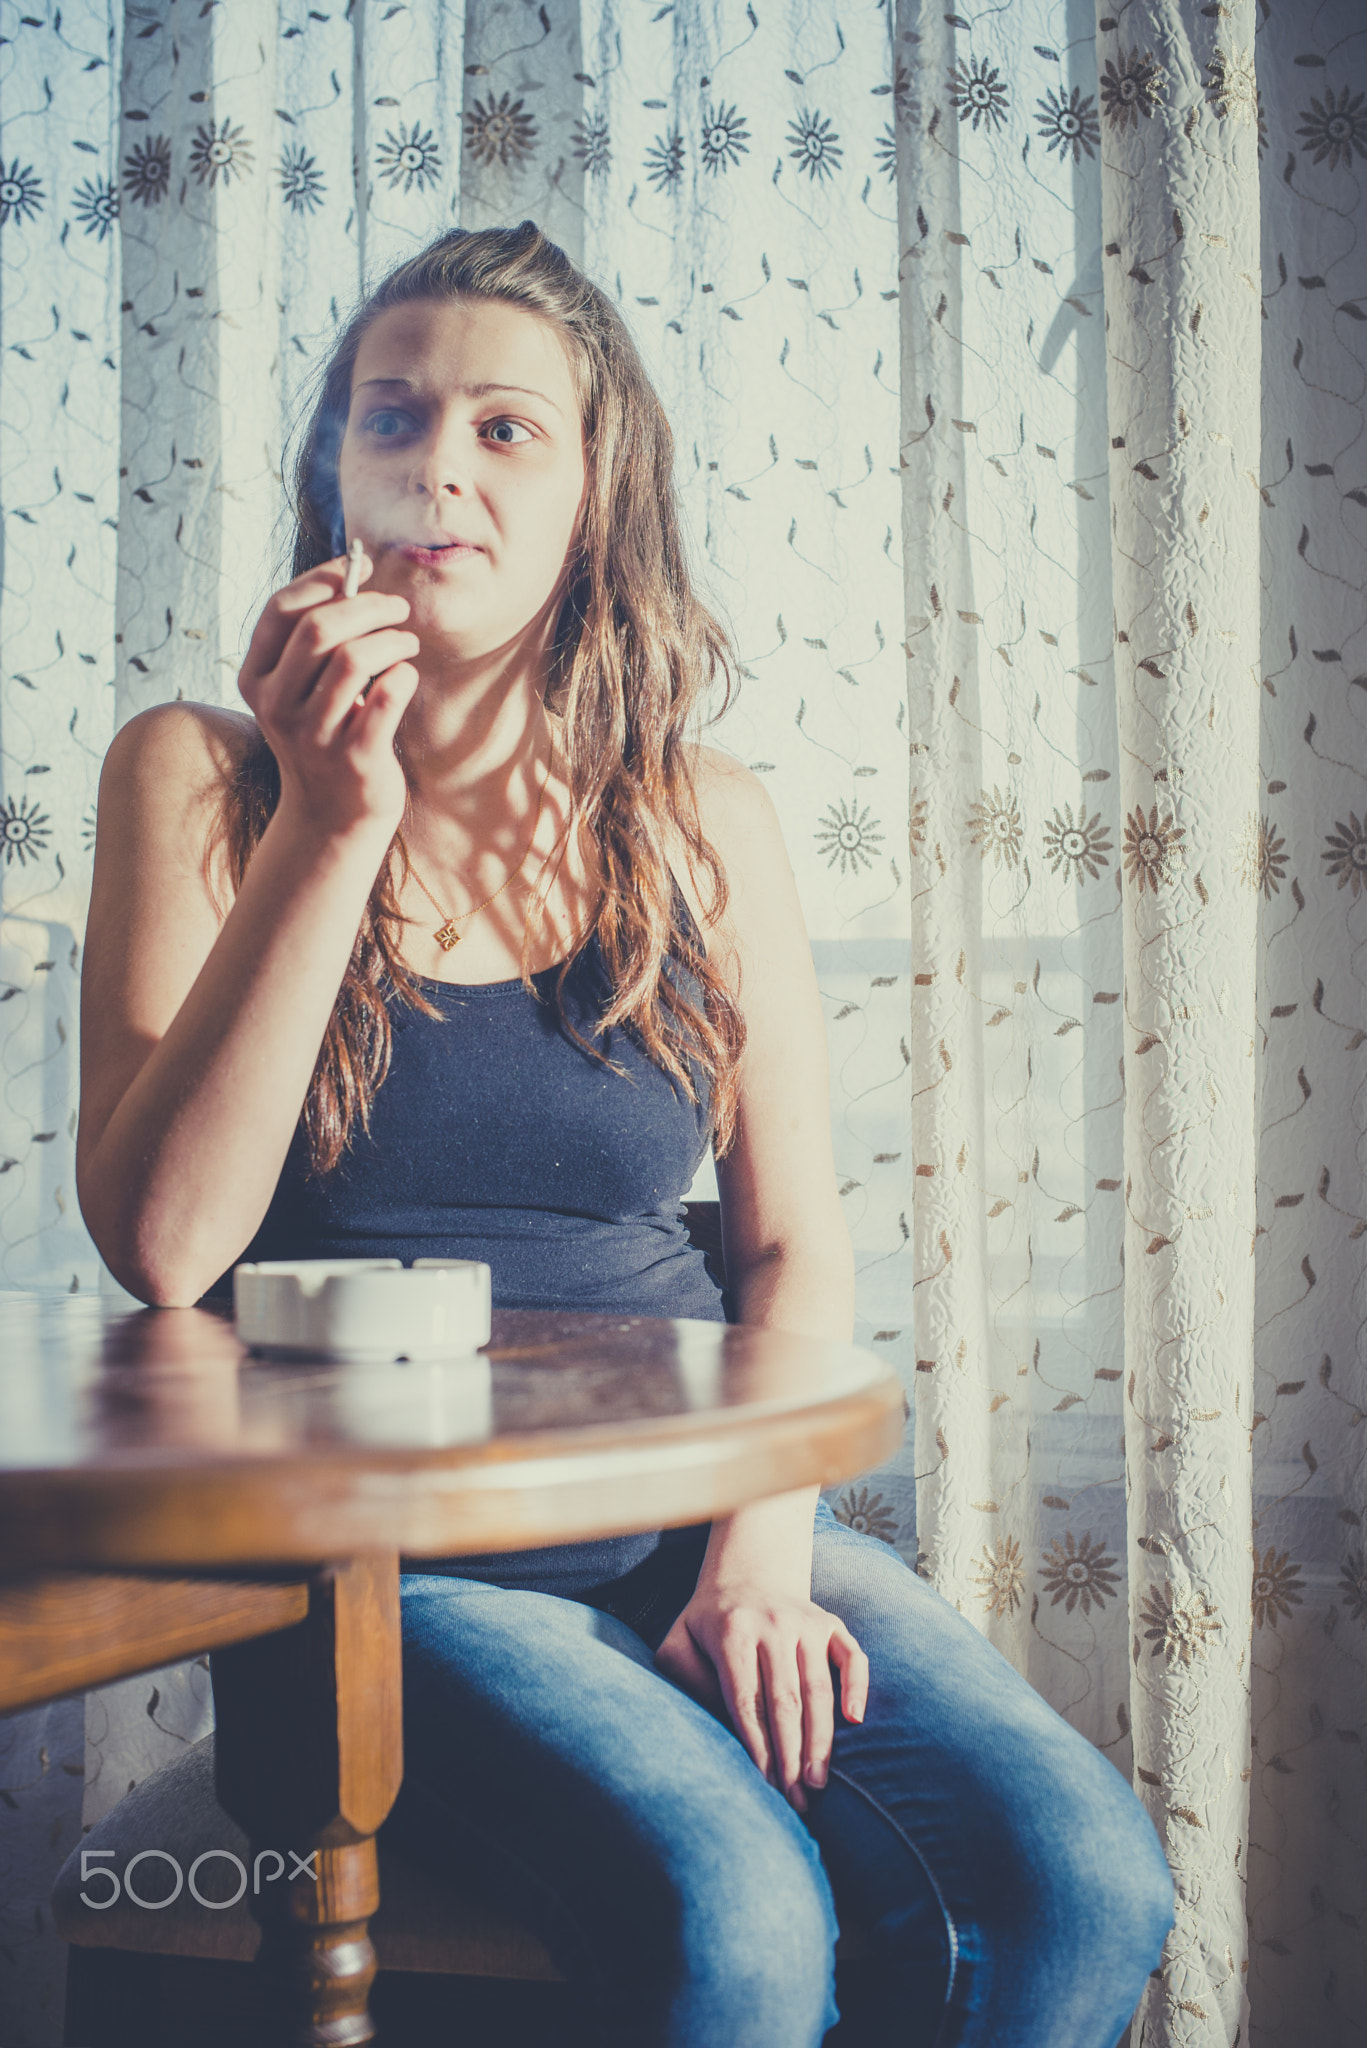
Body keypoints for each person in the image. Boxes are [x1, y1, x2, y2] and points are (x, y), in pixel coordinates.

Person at [76, 219, 1175, 2046]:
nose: (440, 460)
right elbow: (168, 1244)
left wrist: (755, 1560)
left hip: (688, 1514)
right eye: (394, 415)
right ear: (332, 472)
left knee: (1081, 1880)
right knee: (736, 1922)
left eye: (509, 428)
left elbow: (792, 1248)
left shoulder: (701, 816)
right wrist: (333, 826)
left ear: (599, 497)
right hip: (371, 1571)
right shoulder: (199, 777)